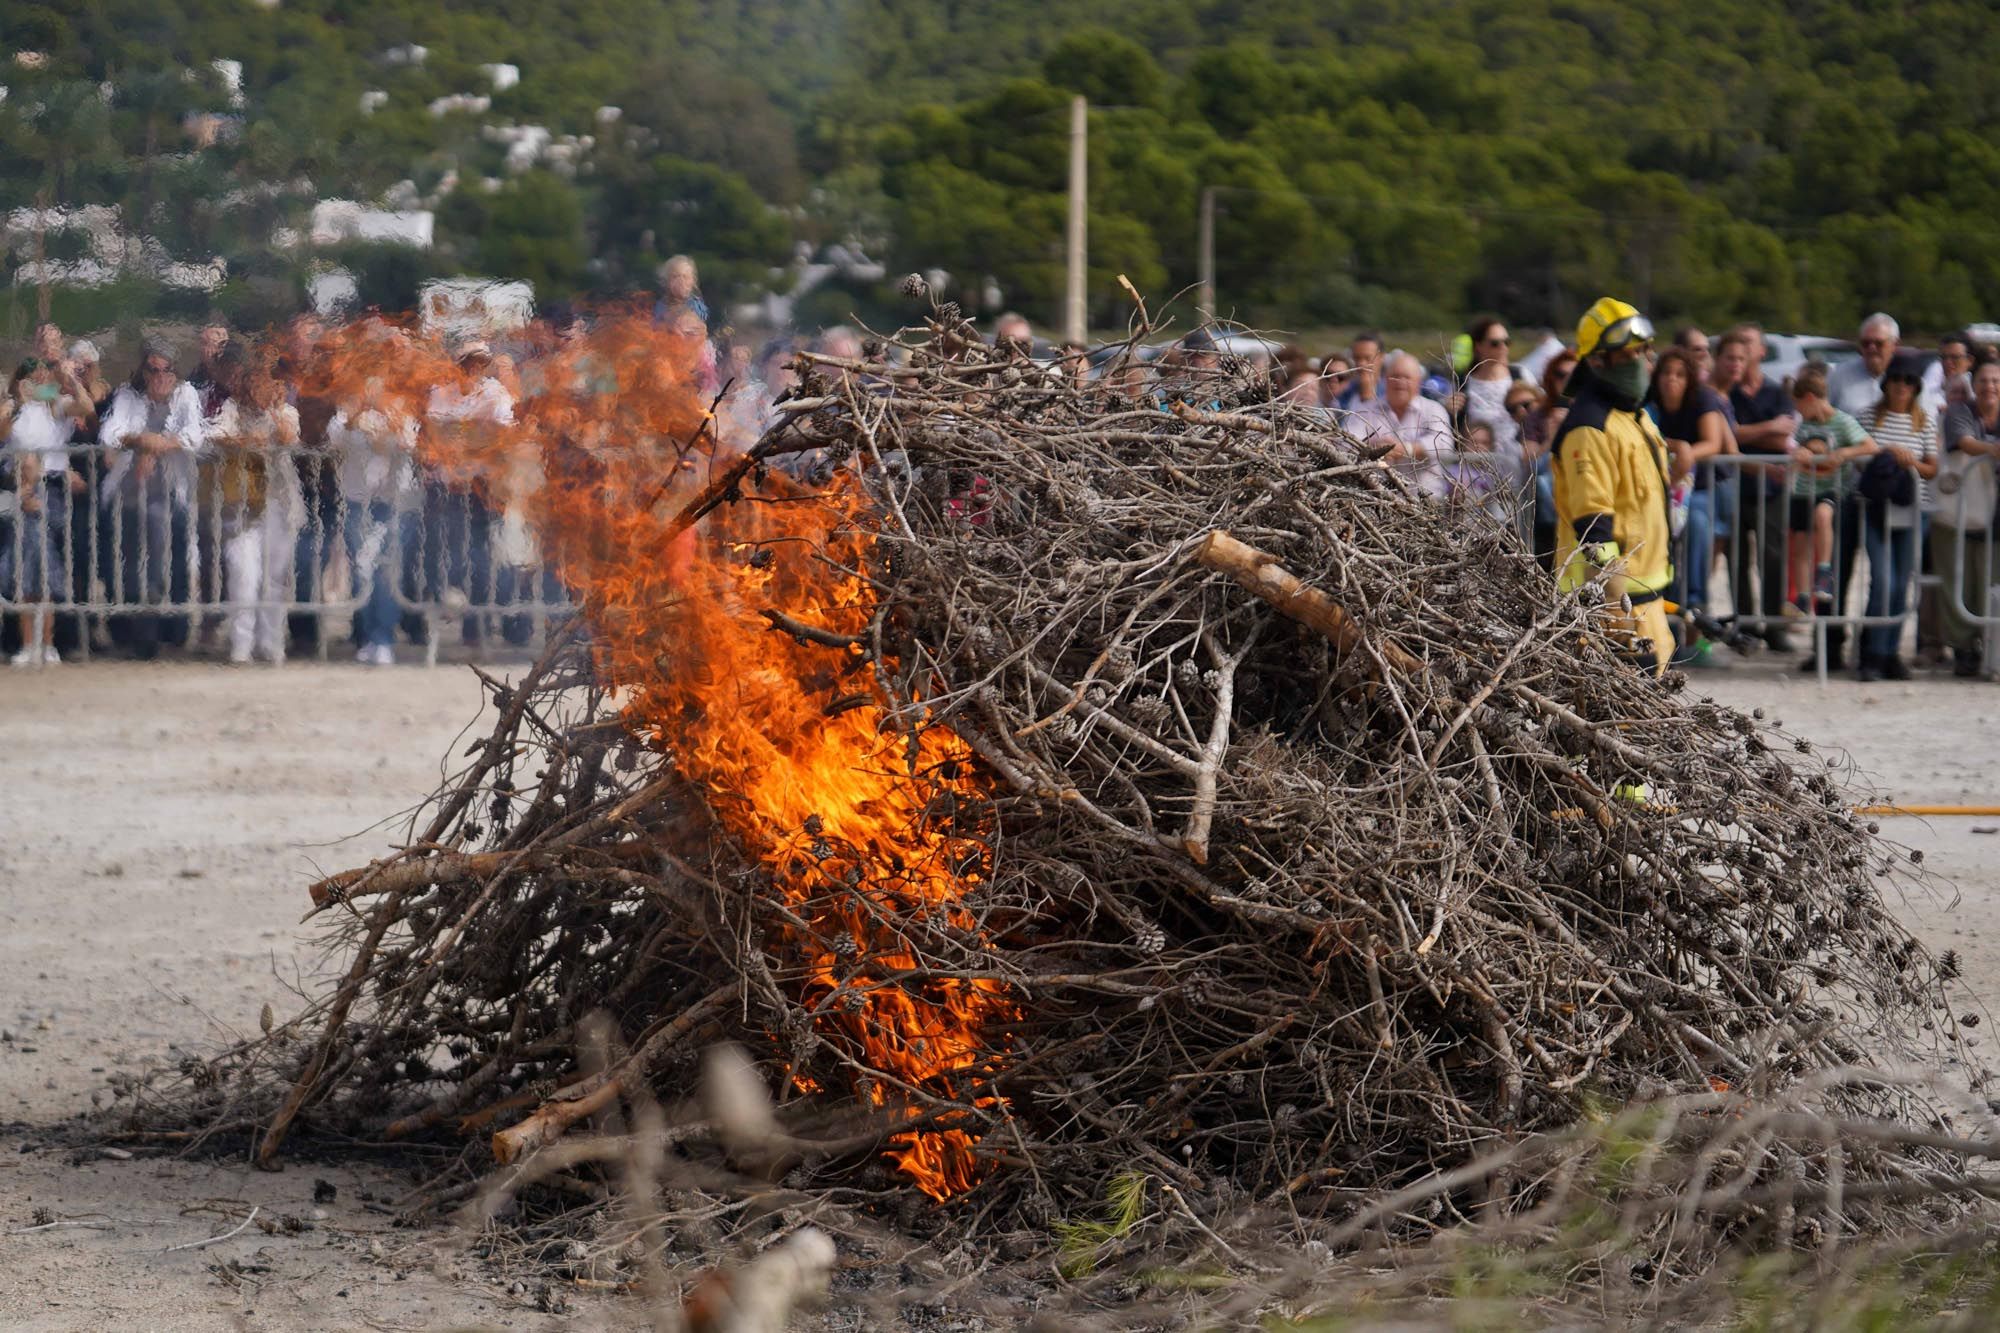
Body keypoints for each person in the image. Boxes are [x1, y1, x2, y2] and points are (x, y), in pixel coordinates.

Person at [1551, 298, 1674, 673]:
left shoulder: (1634, 417)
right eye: (1628, 354)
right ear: (1597, 361)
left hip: (1645, 598)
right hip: (1610, 607)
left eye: (1644, 350)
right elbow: (1594, 529)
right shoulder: (1590, 429)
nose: (1641, 361)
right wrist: (1616, 618)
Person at [99, 345, 206, 658]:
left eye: (166, 369)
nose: (160, 376)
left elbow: (195, 436)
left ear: (175, 372)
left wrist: (160, 444)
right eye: (153, 370)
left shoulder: (186, 394)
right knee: (130, 565)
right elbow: (110, 432)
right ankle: (136, 632)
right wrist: (141, 440)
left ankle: (173, 631)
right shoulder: (127, 395)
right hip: (128, 494)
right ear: (144, 372)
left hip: (173, 494)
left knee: (172, 564)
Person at [208, 356, 304, 664]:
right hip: (242, 505)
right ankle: (241, 644)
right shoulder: (233, 410)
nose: (264, 388)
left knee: (274, 579)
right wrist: (245, 440)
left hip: (280, 503)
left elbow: (290, 438)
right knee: (243, 574)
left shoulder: (286, 412)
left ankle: (271, 643)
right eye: (257, 382)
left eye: (271, 383)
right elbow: (217, 435)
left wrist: (274, 413)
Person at [0, 356, 95, 664]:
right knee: (34, 555)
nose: (39, 383)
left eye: (43, 378)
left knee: (39, 553)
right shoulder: (10, 409)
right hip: (21, 487)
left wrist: (71, 381)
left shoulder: (55, 406)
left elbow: (87, 408)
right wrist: (17, 403)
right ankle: (35, 643)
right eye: (32, 378)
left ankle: (43, 643)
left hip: (52, 487)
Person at [423, 341, 516, 645]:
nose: (473, 369)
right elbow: (437, 433)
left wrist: (469, 437)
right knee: (449, 555)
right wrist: (474, 431)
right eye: (467, 363)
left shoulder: (495, 392)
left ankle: (477, 626)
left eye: (479, 363)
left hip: (482, 487)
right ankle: (446, 618)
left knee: (481, 556)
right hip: (446, 487)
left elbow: (503, 432)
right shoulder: (440, 392)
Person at [1647, 347, 1735, 667]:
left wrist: (1687, 453)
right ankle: (1666, 629)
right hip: (1659, 490)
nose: (1672, 380)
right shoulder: (1649, 405)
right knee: (1661, 540)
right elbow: (1643, 435)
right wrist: (1675, 445)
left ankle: (1695, 614)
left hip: (1700, 488)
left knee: (1696, 524)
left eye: (1679, 374)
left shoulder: (1704, 400)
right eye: (1666, 373)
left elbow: (1713, 442)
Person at [1786, 366, 1875, 673]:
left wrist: (1843, 454)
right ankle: (1809, 611)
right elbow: (1794, 446)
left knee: (1835, 563)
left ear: (1809, 397)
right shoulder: (1805, 424)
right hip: (1805, 493)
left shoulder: (1843, 422)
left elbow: (1868, 446)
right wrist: (1800, 454)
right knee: (1800, 545)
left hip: (1834, 498)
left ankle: (1823, 578)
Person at [1856, 355, 1938, 680]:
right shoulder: (1867, 417)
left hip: (1913, 510)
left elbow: (1932, 468)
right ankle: (1873, 653)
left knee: (1901, 585)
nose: (1901, 387)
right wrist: (1885, 456)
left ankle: (1890, 653)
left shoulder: (1925, 421)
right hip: (1877, 510)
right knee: (1883, 582)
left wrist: (1910, 464)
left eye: (1908, 381)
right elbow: (1858, 460)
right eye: (1896, 380)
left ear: (1917, 386)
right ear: (1886, 382)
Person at [331, 374, 421, 666]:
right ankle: (369, 636)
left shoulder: (403, 415)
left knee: (385, 573)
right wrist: (352, 420)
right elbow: (334, 438)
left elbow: (409, 444)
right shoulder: (348, 417)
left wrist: (394, 426)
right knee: (364, 571)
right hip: (359, 504)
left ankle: (382, 638)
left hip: (394, 505)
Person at [1722, 326, 1799, 651]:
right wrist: (1766, 429)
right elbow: (1727, 433)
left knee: (1773, 556)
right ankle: (1747, 625)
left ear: (1762, 352)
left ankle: (1775, 626)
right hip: (1734, 485)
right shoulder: (1726, 394)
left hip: (1772, 487)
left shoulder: (1776, 392)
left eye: (1749, 344)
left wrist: (1742, 433)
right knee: (1737, 558)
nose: (1743, 351)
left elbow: (1784, 438)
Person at [1936, 361, 2000, 676]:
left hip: (1996, 516)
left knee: (1991, 583)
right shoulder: (1961, 412)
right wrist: (1993, 449)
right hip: (1959, 511)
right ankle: (1962, 648)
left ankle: (1992, 648)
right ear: (1975, 384)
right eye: (1985, 380)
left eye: (1996, 380)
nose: (1990, 386)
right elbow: (1963, 442)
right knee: (1959, 583)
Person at [1345, 352, 1454, 498]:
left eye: (1406, 377)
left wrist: (1407, 449)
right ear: (1385, 379)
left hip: (1426, 501)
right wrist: (1372, 448)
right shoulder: (1365, 410)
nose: (1400, 381)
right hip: (1377, 500)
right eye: (1395, 376)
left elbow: (1445, 443)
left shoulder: (1433, 409)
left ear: (1418, 381)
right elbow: (1344, 442)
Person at [1461, 318, 1522, 456]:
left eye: (1507, 342)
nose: (1503, 348)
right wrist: (1450, 409)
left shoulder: (1519, 375)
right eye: (1495, 343)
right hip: (1477, 461)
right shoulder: (1463, 381)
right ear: (1478, 346)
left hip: (1515, 459)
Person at [1827, 313, 1897, 418]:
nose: (1872, 348)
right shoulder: (1839, 375)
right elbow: (1821, 416)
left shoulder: (1908, 380)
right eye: (1866, 343)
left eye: (1879, 343)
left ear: (1894, 345)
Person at [654, 254, 709, 328]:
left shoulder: (696, 306)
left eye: (685, 277)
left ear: (693, 281)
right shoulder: (657, 306)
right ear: (666, 281)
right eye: (675, 276)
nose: (681, 282)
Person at [1333, 333, 1383, 410]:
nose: (1361, 363)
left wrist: (1368, 400)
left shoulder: (1390, 394)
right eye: (1356, 358)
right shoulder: (1344, 392)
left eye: (1368, 358)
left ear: (1381, 357)